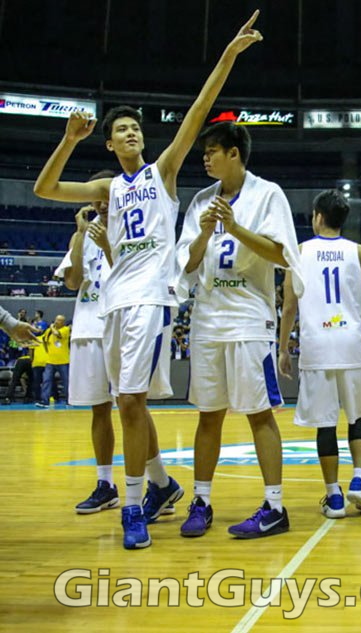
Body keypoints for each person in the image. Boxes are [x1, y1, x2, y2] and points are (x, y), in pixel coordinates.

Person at [32, 11, 263, 549]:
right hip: (113, 300)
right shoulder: (106, 187)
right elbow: (44, 188)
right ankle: (161, 485)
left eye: (135, 128)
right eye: (121, 131)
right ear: (110, 145)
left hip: (151, 298)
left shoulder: (162, 172)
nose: (131, 132)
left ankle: (132, 506)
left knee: (132, 401)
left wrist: (228, 54)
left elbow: (201, 108)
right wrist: (68, 139)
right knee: (126, 404)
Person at [175, 121, 301, 539]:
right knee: (207, 415)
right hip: (208, 319)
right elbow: (188, 264)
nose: (205, 158)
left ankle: (275, 506)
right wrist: (208, 231)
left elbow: (282, 255)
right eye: (204, 152)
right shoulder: (199, 202)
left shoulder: (268, 194)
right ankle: (202, 500)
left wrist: (235, 228)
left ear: (234, 153)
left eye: (212, 151)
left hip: (250, 318)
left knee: (259, 414)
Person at [279, 190, 361, 519]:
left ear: (318, 217)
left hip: (318, 344)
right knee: (357, 416)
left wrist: (282, 348)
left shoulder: (298, 252)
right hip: (351, 342)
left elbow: (289, 306)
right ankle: (360, 479)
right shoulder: (360, 252)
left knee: (325, 424)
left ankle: (334, 495)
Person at [56, 182, 121, 512]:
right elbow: (72, 281)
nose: (102, 203)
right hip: (88, 325)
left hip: (121, 325)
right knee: (99, 409)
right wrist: (81, 235)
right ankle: (105, 483)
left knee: (134, 407)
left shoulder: (130, 226)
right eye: (97, 199)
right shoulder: (82, 235)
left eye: (107, 197)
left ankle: (156, 483)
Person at [40, 314, 70, 405]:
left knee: (66, 382)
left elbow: (57, 334)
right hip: (50, 361)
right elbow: (44, 342)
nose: (57, 322)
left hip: (63, 361)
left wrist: (52, 327)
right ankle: (45, 401)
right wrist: (48, 353)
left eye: (59, 320)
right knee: (46, 381)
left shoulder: (65, 330)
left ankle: (69, 400)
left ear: (63, 322)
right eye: (56, 320)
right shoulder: (48, 331)